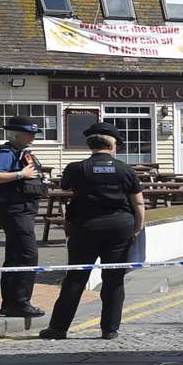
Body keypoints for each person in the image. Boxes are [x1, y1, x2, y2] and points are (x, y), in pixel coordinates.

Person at [42, 124, 145, 339]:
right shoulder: (126, 169)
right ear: (112, 145)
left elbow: (65, 189)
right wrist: (137, 226)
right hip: (119, 227)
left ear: (91, 145)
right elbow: (138, 203)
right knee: (114, 279)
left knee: (76, 278)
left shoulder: (76, 168)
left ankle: (58, 328)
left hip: (85, 227)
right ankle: (110, 329)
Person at [0, 116, 49, 318]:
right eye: (29, 134)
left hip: (24, 208)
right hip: (15, 209)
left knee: (16, 257)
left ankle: (11, 303)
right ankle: (19, 303)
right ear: (17, 135)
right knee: (27, 255)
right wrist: (20, 175)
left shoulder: (21, 153)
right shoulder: (6, 153)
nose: (33, 137)